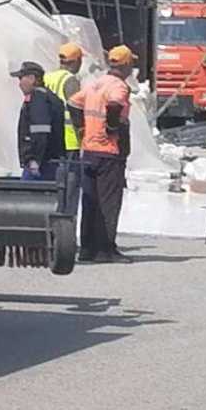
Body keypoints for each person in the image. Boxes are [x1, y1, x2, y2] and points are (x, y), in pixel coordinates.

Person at [69, 45, 136, 264]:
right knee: (109, 201)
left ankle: (87, 248)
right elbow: (115, 105)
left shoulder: (94, 84)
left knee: (91, 201)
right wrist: (113, 128)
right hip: (109, 151)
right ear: (125, 65)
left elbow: (73, 102)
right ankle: (106, 249)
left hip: (89, 149)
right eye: (131, 64)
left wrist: (81, 128)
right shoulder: (119, 86)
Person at [12, 61, 65, 182]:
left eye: (21, 78)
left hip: (42, 164)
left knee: (27, 198)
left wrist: (34, 160)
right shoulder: (49, 97)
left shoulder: (38, 99)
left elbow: (40, 131)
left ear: (32, 78)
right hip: (50, 162)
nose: (19, 84)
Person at [44, 43, 84, 159]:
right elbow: (76, 109)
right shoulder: (70, 80)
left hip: (52, 136)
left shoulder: (46, 77)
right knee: (71, 174)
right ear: (76, 61)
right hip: (69, 139)